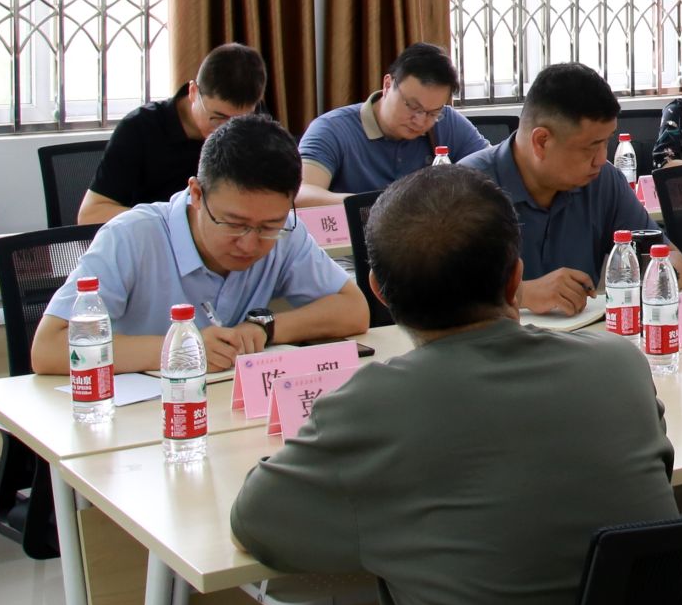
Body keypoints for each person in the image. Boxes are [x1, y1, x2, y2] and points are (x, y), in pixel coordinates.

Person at [234, 166, 678, 605]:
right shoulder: (619, 365)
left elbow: (258, 520)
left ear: (379, 290)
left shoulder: (374, 407)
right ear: (514, 278)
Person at [33, 115, 368, 375]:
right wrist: (182, 349)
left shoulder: (285, 233)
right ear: (196, 194)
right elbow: (48, 348)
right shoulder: (131, 236)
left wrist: (264, 328)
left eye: (268, 226)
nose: (250, 243)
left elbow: (353, 310)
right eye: (233, 223)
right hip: (138, 416)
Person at [459, 63, 682, 315]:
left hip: (584, 336)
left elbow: (674, 261)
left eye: (607, 142)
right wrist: (522, 293)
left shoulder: (604, 181)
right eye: (591, 147)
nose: (601, 159)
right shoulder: (466, 187)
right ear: (541, 141)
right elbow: (433, 295)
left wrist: (650, 280)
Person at [78, 43, 267, 224]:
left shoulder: (256, 124)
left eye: (238, 121)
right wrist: (178, 221)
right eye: (217, 118)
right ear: (193, 92)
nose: (226, 130)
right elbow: (91, 214)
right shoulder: (140, 128)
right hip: (154, 239)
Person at [295, 43, 489, 205]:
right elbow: (301, 195)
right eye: (412, 106)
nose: (420, 121)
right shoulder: (332, 129)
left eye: (433, 113)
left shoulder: (448, 122)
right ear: (388, 85)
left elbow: (493, 170)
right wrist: (380, 205)